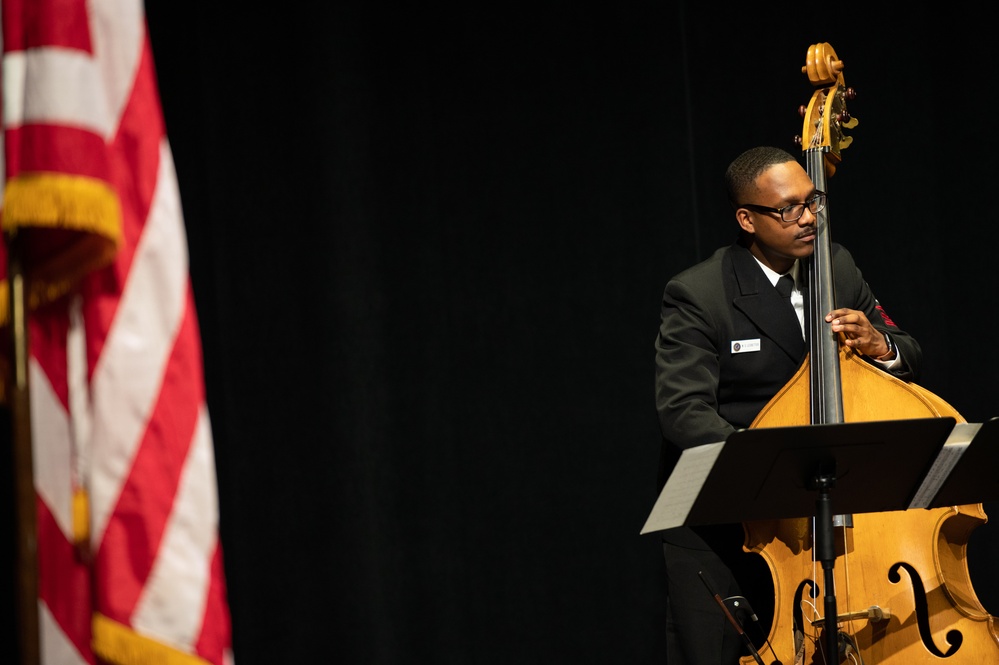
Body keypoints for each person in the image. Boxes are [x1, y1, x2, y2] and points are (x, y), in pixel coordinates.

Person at [653, 145, 922, 664]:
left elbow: (907, 350)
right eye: (788, 210)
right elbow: (684, 412)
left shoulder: (836, 265)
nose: (808, 218)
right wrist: (771, 477)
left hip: (825, 514)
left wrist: (879, 345)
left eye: (812, 201)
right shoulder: (698, 293)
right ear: (746, 219)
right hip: (726, 525)